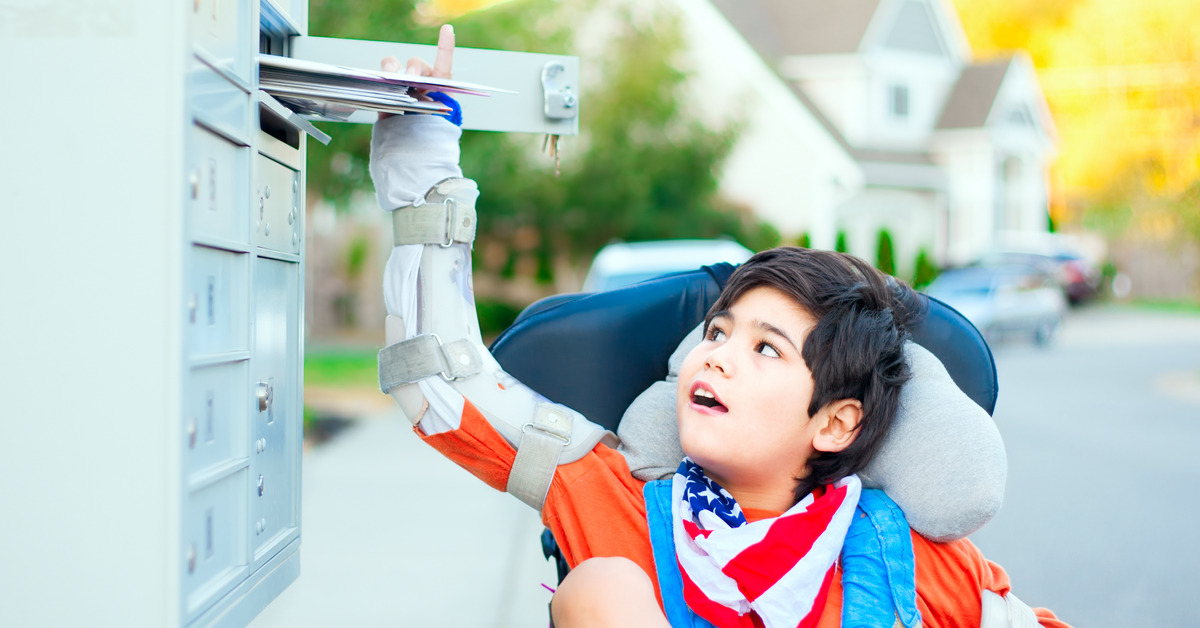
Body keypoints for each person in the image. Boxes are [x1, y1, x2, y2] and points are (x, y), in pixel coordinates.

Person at [370, 25, 1070, 628]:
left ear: (834, 423)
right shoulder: (617, 502)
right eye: (716, 334)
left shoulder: (905, 560)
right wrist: (424, 154)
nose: (718, 358)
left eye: (766, 347)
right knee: (602, 588)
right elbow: (442, 382)